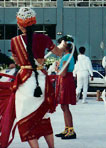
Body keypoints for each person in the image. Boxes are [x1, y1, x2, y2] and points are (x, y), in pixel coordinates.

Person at [11, 7, 64, 148]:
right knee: (44, 117)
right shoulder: (44, 38)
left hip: (25, 84)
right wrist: (64, 45)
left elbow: (17, 61)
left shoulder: (14, 41)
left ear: (19, 24)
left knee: (25, 119)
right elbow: (58, 52)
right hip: (41, 82)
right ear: (34, 23)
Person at [55, 37, 77, 139]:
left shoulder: (67, 57)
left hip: (65, 82)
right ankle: (67, 128)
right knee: (63, 106)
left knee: (65, 106)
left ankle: (71, 130)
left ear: (66, 46)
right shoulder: (67, 56)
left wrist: (56, 68)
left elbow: (63, 73)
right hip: (65, 81)